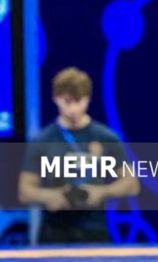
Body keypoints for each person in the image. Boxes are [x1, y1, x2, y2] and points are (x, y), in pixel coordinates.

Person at [18, 67, 140, 244]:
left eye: (79, 101)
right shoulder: (43, 140)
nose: (73, 108)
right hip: (54, 231)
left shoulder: (106, 138)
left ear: (88, 99)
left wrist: (101, 192)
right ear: (56, 99)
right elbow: (25, 190)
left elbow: (131, 184)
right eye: (67, 101)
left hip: (94, 228)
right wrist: (49, 196)